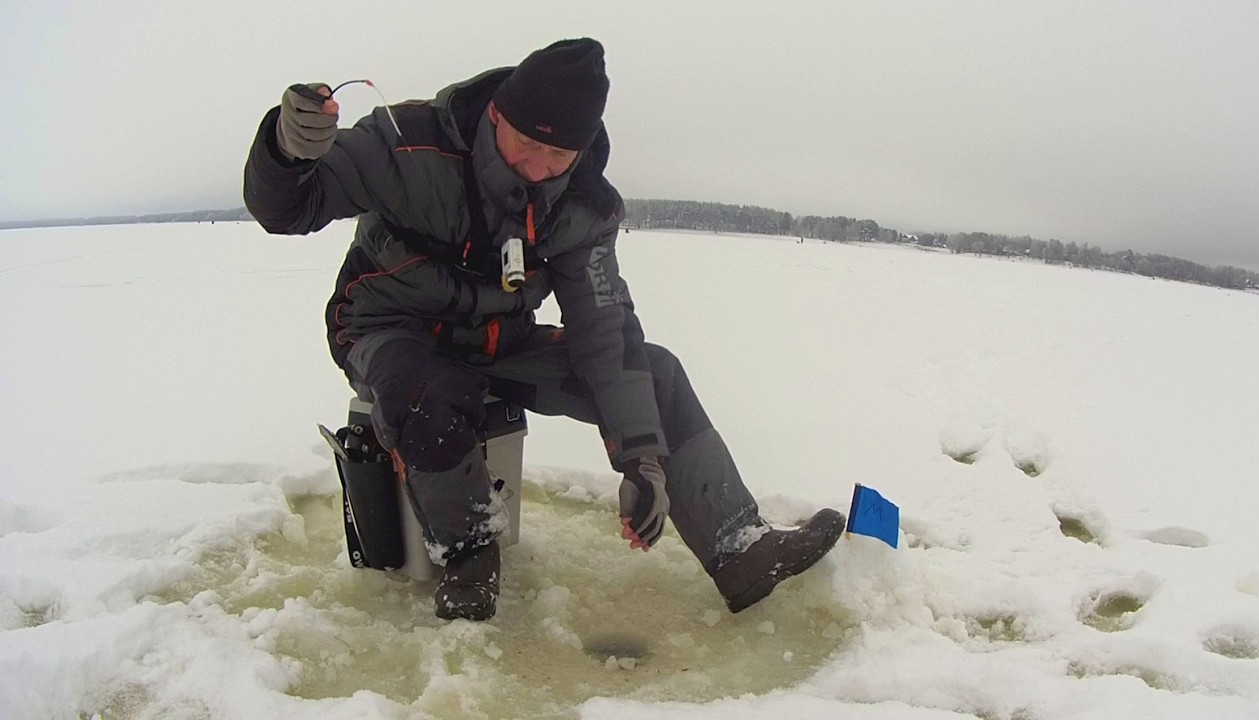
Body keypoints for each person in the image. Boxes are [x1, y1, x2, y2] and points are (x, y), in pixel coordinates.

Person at [244, 38, 844, 621]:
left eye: (558, 157)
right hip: (386, 327)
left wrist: (643, 461)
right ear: (498, 114)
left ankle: (738, 546)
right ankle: (468, 558)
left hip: (497, 342)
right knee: (424, 387)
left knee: (652, 372)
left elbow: (605, 332)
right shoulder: (408, 145)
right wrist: (286, 148)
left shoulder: (581, 207)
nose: (537, 168)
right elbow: (289, 208)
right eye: (525, 145)